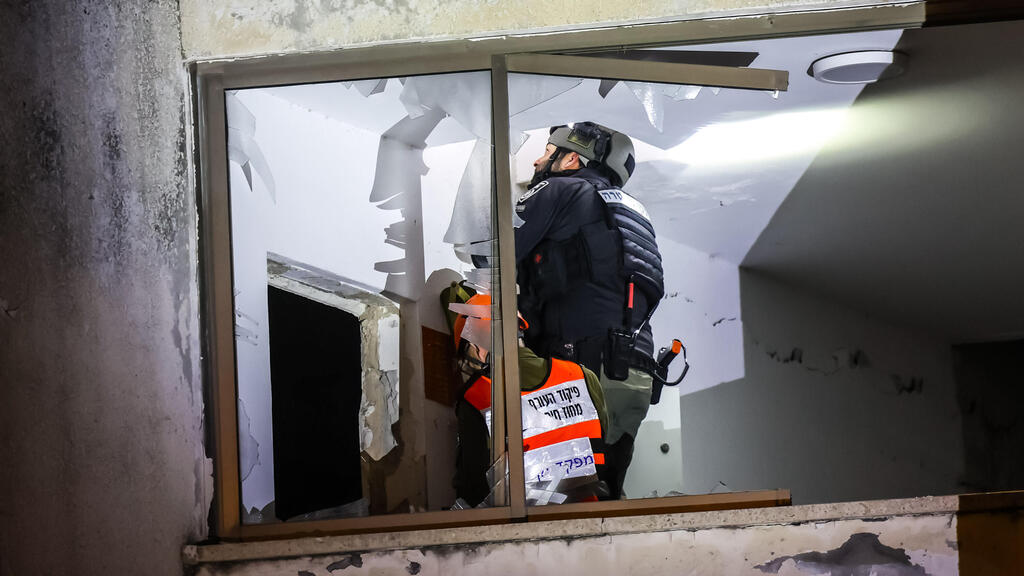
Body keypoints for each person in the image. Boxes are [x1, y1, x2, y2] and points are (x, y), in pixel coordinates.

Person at [514, 122, 665, 499]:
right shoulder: (632, 214)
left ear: (571, 160)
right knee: (605, 491)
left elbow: (489, 248)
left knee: (556, 493)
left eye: (547, 153)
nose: (536, 160)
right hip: (636, 373)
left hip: (581, 366)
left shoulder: (563, 188)